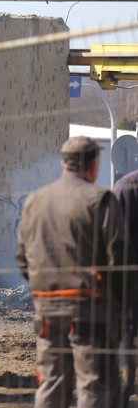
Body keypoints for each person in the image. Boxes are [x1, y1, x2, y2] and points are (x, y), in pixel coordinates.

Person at [16, 136, 135, 408]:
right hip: (89, 305)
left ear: (63, 164)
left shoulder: (35, 201)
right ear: (94, 165)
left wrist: (42, 288)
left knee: (51, 381)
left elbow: (22, 257)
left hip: (46, 305)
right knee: (93, 383)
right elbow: (119, 257)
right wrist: (119, 303)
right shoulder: (100, 199)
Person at [114, 168, 138, 407]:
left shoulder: (124, 185)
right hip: (130, 277)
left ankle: (125, 385)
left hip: (129, 277)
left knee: (127, 332)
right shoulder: (126, 186)